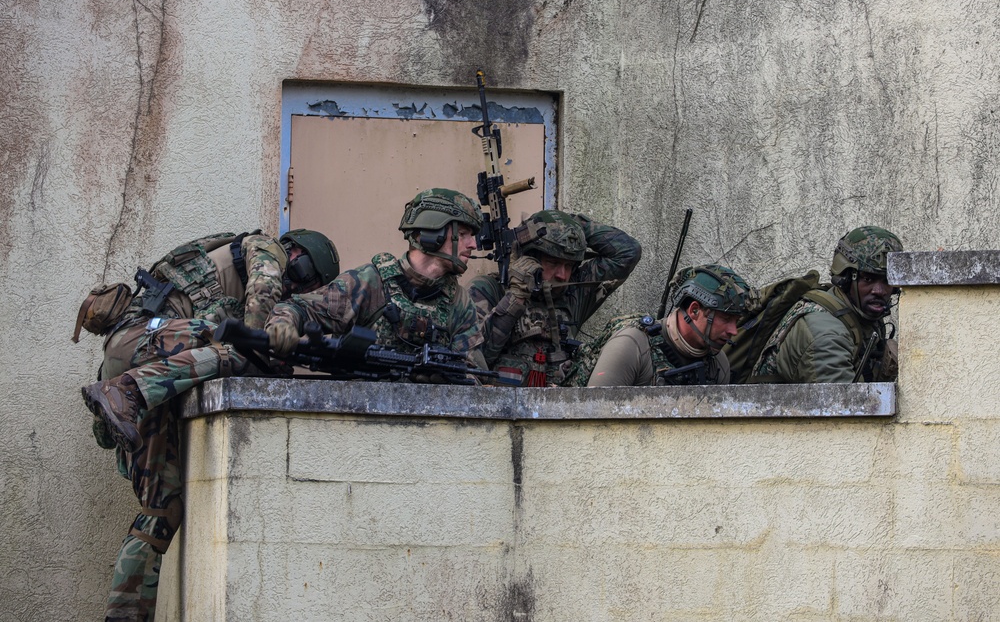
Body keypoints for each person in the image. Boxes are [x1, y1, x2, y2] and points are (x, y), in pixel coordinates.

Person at [80, 228, 339, 622]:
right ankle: (126, 394)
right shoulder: (266, 249)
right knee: (241, 345)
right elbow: (263, 295)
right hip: (140, 341)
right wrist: (266, 340)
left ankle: (125, 615)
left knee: (162, 509)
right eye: (309, 279)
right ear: (299, 257)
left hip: (154, 363)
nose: (301, 288)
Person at [264, 188, 487, 371]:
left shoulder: (459, 303)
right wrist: (283, 326)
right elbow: (299, 308)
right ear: (434, 232)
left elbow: (474, 373)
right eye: (465, 233)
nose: (473, 245)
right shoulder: (368, 283)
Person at [468, 209, 642, 386]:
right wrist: (516, 298)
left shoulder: (573, 293)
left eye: (569, 265)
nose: (562, 275)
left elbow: (628, 252)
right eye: (552, 263)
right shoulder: (488, 289)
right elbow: (474, 360)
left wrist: (572, 226)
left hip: (558, 408)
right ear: (529, 258)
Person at [749, 225, 903, 383]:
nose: (879, 291)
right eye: (868, 279)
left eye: (887, 280)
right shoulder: (826, 334)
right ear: (846, 278)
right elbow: (843, 404)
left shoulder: (857, 314)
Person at [583, 265, 751, 386]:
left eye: (736, 322)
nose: (733, 331)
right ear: (694, 311)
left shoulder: (718, 363)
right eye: (726, 319)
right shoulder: (632, 345)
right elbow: (595, 422)